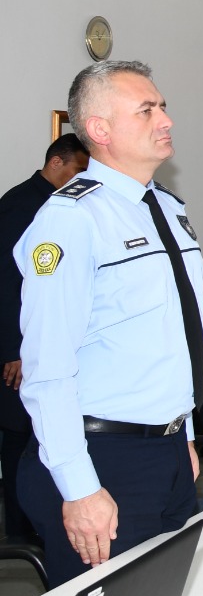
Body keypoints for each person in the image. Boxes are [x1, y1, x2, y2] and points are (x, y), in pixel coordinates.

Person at [13, 62, 203, 587]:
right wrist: (79, 488)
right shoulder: (71, 218)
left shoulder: (166, 207)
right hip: (101, 457)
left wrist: (183, 431)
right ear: (99, 129)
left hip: (166, 447)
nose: (165, 119)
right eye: (147, 110)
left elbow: (176, 337)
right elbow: (47, 367)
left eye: (162, 106)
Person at [0, 132, 89, 542]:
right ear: (56, 163)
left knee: (44, 435)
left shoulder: (64, 204)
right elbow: (6, 285)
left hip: (45, 341)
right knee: (20, 436)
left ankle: (44, 518)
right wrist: (13, 350)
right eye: (77, 170)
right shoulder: (21, 205)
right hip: (19, 347)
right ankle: (21, 532)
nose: (81, 178)